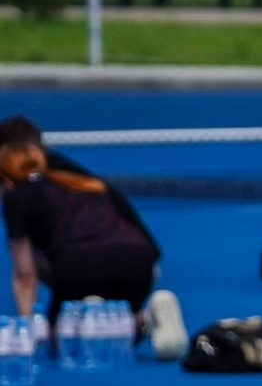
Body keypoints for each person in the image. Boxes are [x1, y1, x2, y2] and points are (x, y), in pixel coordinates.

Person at [1, 117, 186, 359]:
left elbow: (24, 273)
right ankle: (144, 319)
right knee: (120, 320)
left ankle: (84, 316)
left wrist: (25, 329)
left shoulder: (15, 197)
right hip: (140, 260)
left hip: (78, 265)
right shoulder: (76, 177)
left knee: (61, 343)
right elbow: (121, 208)